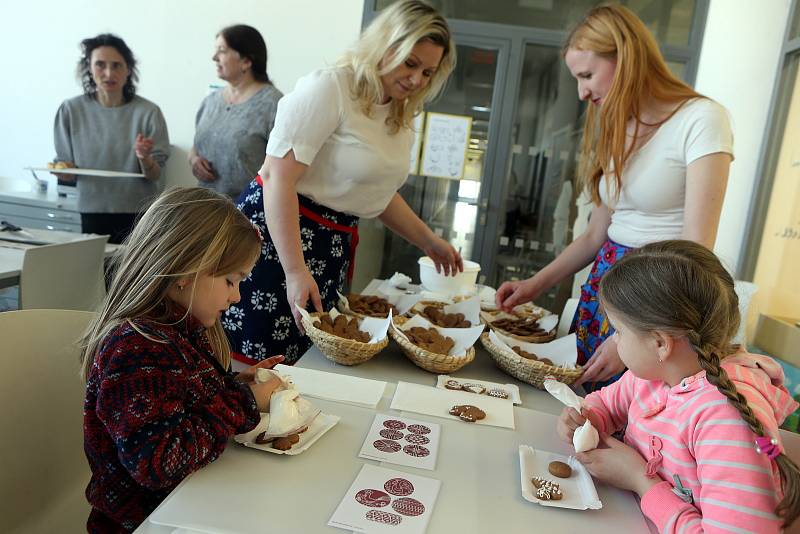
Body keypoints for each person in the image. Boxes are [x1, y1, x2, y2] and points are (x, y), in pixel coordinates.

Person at [495, 5, 734, 391]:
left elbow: (695, 252)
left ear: (626, 59)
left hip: (656, 298)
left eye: (587, 75)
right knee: (584, 407)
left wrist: (633, 338)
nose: (582, 91)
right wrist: (534, 285)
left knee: (631, 419)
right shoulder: (615, 127)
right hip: (605, 287)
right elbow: (595, 236)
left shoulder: (701, 119)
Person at [225, 0, 462, 365]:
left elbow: (377, 196)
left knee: (308, 361)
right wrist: (294, 270)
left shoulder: (400, 110)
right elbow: (276, 178)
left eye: (428, 72)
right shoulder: (332, 87)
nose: (417, 80)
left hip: (329, 245)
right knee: (257, 361)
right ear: (384, 45)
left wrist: (428, 241)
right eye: (410, 63)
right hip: (278, 237)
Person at [557, 240, 800, 533]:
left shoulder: (724, 417)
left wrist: (639, 480)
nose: (616, 342)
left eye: (618, 331)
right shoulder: (654, 375)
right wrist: (586, 420)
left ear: (660, 343)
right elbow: (606, 404)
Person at [80, 187, 285, 532]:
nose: (236, 296)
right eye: (231, 280)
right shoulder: (136, 348)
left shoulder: (178, 329)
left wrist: (236, 385)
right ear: (185, 271)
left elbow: (180, 404)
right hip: (147, 522)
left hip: (195, 504)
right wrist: (243, 401)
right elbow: (158, 463)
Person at [54, 33, 170, 244]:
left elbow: (156, 175)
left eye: (117, 65)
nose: (109, 73)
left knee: (131, 274)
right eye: (100, 65)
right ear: (88, 67)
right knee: (93, 273)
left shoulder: (148, 112)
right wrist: (61, 171)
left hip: (137, 212)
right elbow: (67, 173)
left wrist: (144, 157)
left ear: (128, 70)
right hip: (91, 209)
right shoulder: (71, 110)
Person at [190, 24, 283, 199]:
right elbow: (195, 148)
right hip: (205, 209)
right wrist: (194, 160)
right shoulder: (210, 101)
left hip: (247, 216)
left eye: (222, 50)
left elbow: (282, 168)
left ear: (246, 61)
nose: (214, 57)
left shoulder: (274, 104)